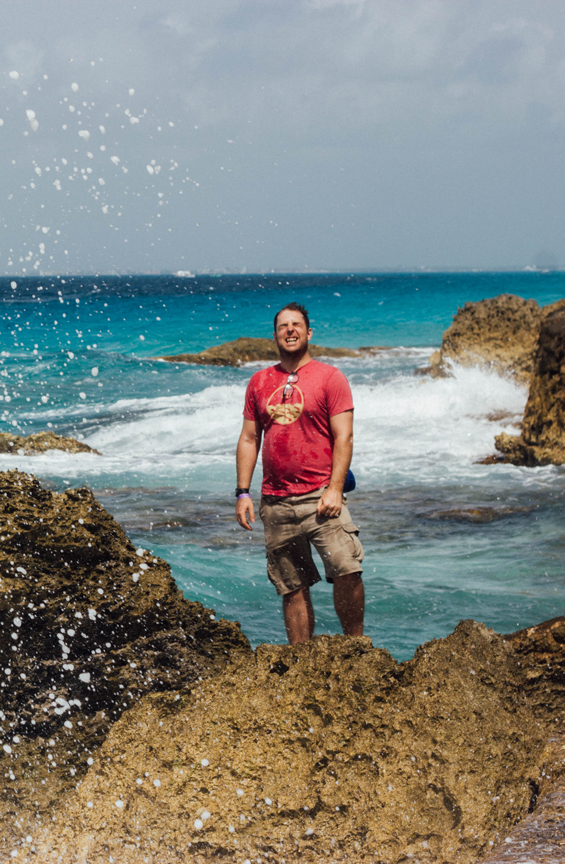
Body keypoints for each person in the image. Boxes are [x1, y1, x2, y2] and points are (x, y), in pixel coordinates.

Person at [235, 301, 364, 645]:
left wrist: (335, 488)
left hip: (321, 496)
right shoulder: (260, 381)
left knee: (347, 571)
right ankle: (301, 664)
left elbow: (344, 437)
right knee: (292, 587)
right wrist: (243, 492)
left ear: (309, 333)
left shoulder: (330, 378)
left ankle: (357, 648)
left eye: (296, 325)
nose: (289, 330)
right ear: (275, 335)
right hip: (276, 502)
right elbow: (249, 438)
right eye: (283, 326)